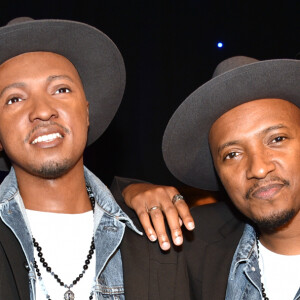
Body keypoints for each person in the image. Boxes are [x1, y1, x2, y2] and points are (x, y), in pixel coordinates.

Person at [0, 17, 191, 300]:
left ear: (87, 113)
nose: (42, 111)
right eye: (14, 99)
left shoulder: (159, 232)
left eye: (61, 90)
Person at [119, 56, 300, 300]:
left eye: (277, 139)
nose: (258, 168)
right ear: (218, 172)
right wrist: (131, 191)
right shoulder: (194, 246)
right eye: (232, 154)